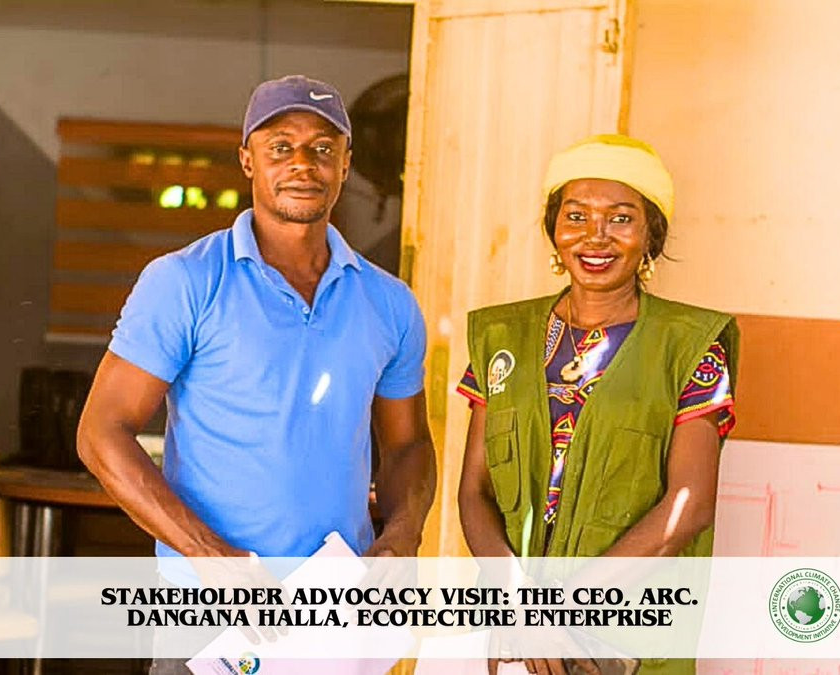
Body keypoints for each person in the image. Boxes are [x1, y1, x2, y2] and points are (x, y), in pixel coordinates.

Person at [76, 75, 437, 669]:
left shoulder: (390, 303)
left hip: (339, 611)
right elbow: (100, 433)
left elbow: (408, 445)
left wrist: (402, 535)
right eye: (281, 146)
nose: (303, 164)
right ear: (248, 159)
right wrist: (211, 557)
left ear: (346, 164)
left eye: (323, 148)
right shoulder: (186, 281)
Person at [456, 135, 739, 675]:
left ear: (651, 235)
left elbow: (690, 503)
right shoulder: (503, 338)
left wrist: (562, 612)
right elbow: (475, 489)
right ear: (554, 229)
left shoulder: (689, 345)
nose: (596, 236)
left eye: (621, 218)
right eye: (576, 216)